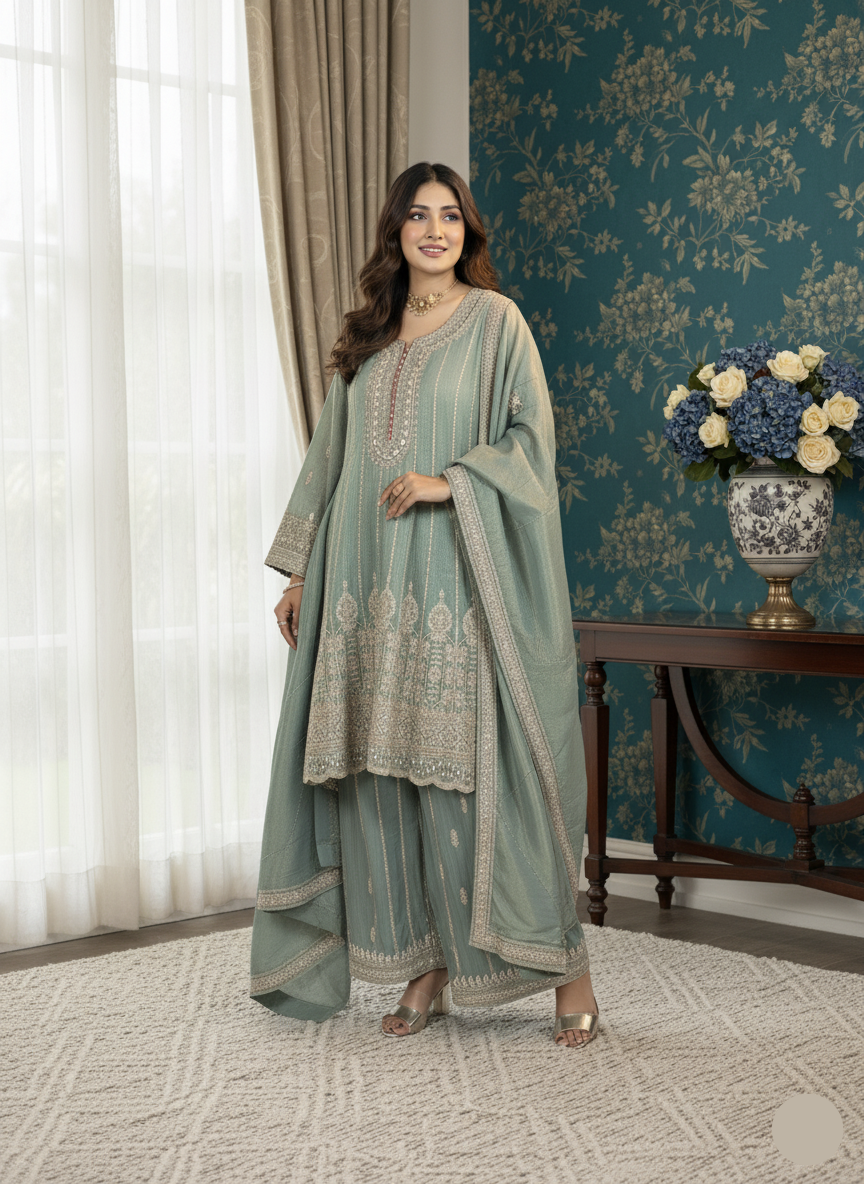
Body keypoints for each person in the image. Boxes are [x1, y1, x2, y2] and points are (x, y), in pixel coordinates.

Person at [249, 161, 599, 1048]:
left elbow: (532, 443)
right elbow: (331, 460)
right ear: (395, 232)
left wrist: (453, 481)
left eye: (450, 217)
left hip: (458, 586)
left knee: (488, 790)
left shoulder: (496, 324)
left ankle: (568, 977)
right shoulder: (366, 336)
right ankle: (423, 967)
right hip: (364, 589)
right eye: (418, 216)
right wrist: (298, 573)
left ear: (467, 232)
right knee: (383, 785)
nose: (435, 231)